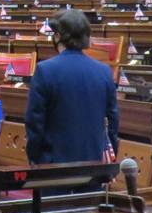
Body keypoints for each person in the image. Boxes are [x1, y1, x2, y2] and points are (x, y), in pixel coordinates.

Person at [25, 9, 119, 165]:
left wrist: (35, 158)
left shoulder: (44, 70)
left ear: (57, 37)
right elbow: (113, 123)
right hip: (94, 165)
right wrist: (109, 158)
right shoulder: (104, 72)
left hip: (54, 168)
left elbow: (35, 124)